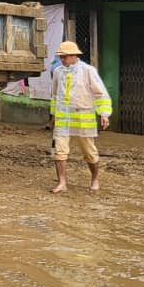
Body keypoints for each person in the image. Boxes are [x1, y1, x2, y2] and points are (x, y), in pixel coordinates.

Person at [49, 40, 112, 193]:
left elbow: (100, 93)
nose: (63, 60)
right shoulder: (58, 72)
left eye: (65, 57)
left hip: (83, 118)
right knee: (59, 151)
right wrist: (53, 116)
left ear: (74, 56)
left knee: (89, 152)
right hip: (63, 119)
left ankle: (95, 178)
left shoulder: (88, 70)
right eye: (61, 57)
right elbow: (55, 95)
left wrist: (104, 114)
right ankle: (62, 183)